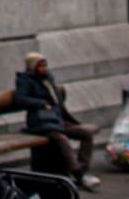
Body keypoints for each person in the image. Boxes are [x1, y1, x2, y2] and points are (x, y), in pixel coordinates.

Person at [14, 50, 99, 190]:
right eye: (40, 66)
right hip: (41, 123)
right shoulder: (25, 80)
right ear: (32, 67)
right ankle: (79, 174)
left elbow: (58, 102)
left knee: (86, 134)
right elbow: (20, 99)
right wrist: (41, 103)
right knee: (61, 139)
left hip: (56, 119)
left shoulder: (48, 79)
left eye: (44, 65)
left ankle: (81, 169)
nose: (43, 69)